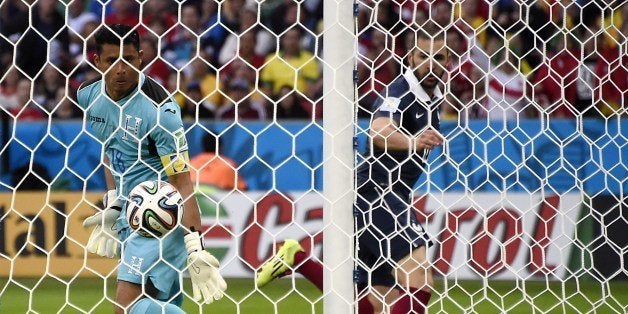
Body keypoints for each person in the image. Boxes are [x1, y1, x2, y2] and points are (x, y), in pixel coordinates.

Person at [257, 27, 448, 314]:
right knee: (420, 279)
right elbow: (378, 130)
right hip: (378, 193)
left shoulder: (433, 94)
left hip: (386, 194)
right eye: (424, 56)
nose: (431, 63)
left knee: (374, 303)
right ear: (410, 57)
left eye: (440, 57)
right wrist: (413, 141)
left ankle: (299, 259)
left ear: (449, 61)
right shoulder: (402, 90)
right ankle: (297, 258)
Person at [77, 24, 226, 313]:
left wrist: (195, 245)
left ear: (141, 58)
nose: (121, 68)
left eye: (128, 60)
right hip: (129, 217)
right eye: (111, 60)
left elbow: (183, 182)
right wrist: (114, 202)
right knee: (157, 305)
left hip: (159, 219)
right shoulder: (88, 96)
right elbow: (110, 147)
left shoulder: (161, 111)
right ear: (97, 61)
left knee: (126, 306)